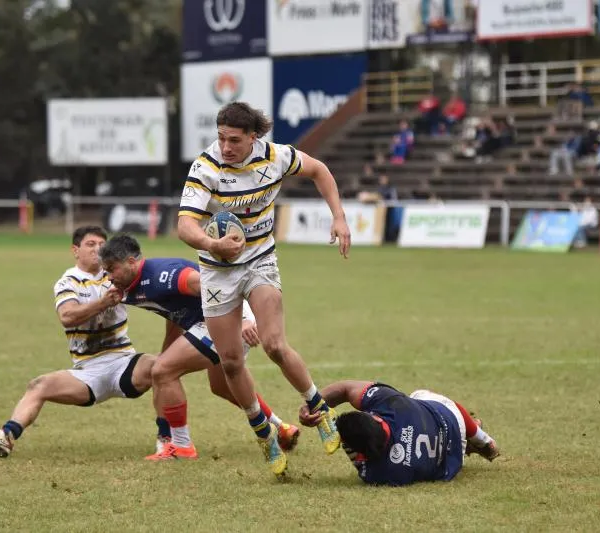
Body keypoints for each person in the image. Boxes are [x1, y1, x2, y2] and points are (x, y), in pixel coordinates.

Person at [177, 101, 351, 477]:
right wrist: (212, 245)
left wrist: (339, 217)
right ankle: (263, 432)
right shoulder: (205, 166)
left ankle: (320, 411)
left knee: (274, 343)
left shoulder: (277, 156)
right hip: (218, 272)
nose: (225, 147)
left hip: (260, 260)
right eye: (221, 138)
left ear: (254, 137)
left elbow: (319, 170)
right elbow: (185, 226)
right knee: (231, 362)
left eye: (234, 140)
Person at [99, 234, 301, 460]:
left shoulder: (162, 275)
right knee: (221, 386)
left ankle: (182, 446)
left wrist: (243, 319)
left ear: (131, 262)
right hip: (209, 322)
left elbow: (214, 286)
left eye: (111, 269)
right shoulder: (125, 289)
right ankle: (280, 427)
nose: (109, 277)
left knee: (162, 370)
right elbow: (171, 309)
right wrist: (168, 349)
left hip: (227, 319)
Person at [0, 226, 155, 457]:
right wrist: (103, 303)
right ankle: (5, 437)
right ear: (75, 250)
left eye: (101, 244)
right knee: (39, 386)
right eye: (90, 244)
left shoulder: (117, 275)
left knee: (162, 368)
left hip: (123, 362)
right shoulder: (68, 282)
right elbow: (67, 317)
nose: (97, 249)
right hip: (87, 372)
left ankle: (171, 441)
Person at [299, 380, 500, 486]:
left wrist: (314, 405)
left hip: (452, 463)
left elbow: (358, 452)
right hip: (451, 423)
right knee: (420, 396)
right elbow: (345, 388)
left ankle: (474, 435)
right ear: (375, 418)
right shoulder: (392, 403)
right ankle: (482, 437)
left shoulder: (381, 474)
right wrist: (315, 403)